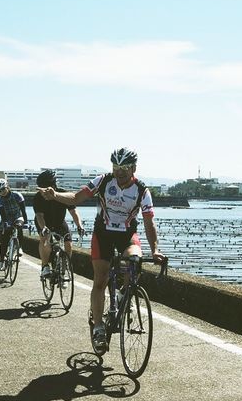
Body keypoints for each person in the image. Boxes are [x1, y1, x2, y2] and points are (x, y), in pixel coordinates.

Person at [39, 148, 165, 352]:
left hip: (126, 235)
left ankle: (124, 295)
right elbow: (76, 198)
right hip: (103, 234)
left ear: (133, 168)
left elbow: (149, 223)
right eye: (116, 167)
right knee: (100, 280)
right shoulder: (103, 181)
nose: (119, 172)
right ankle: (98, 328)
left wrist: (155, 250)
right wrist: (55, 195)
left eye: (124, 168)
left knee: (135, 261)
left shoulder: (142, 191)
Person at [33, 169, 85, 280]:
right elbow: (39, 216)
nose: (43, 193)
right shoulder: (37, 198)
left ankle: (64, 269)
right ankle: (45, 266)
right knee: (45, 239)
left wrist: (79, 225)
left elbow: (73, 212)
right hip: (43, 222)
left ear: (53, 186)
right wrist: (43, 228)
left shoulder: (63, 194)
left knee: (68, 244)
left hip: (59, 222)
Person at [0, 178, 28, 271]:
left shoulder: (17, 195)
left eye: (3, 189)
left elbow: (23, 211)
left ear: (7, 187)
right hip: (7, 218)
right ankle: (1, 260)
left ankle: (19, 247)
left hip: (18, 216)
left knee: (19, 226)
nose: (2, 192)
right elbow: (2, 215)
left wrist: (26, 222)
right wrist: (5, 223)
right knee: (4, 240)